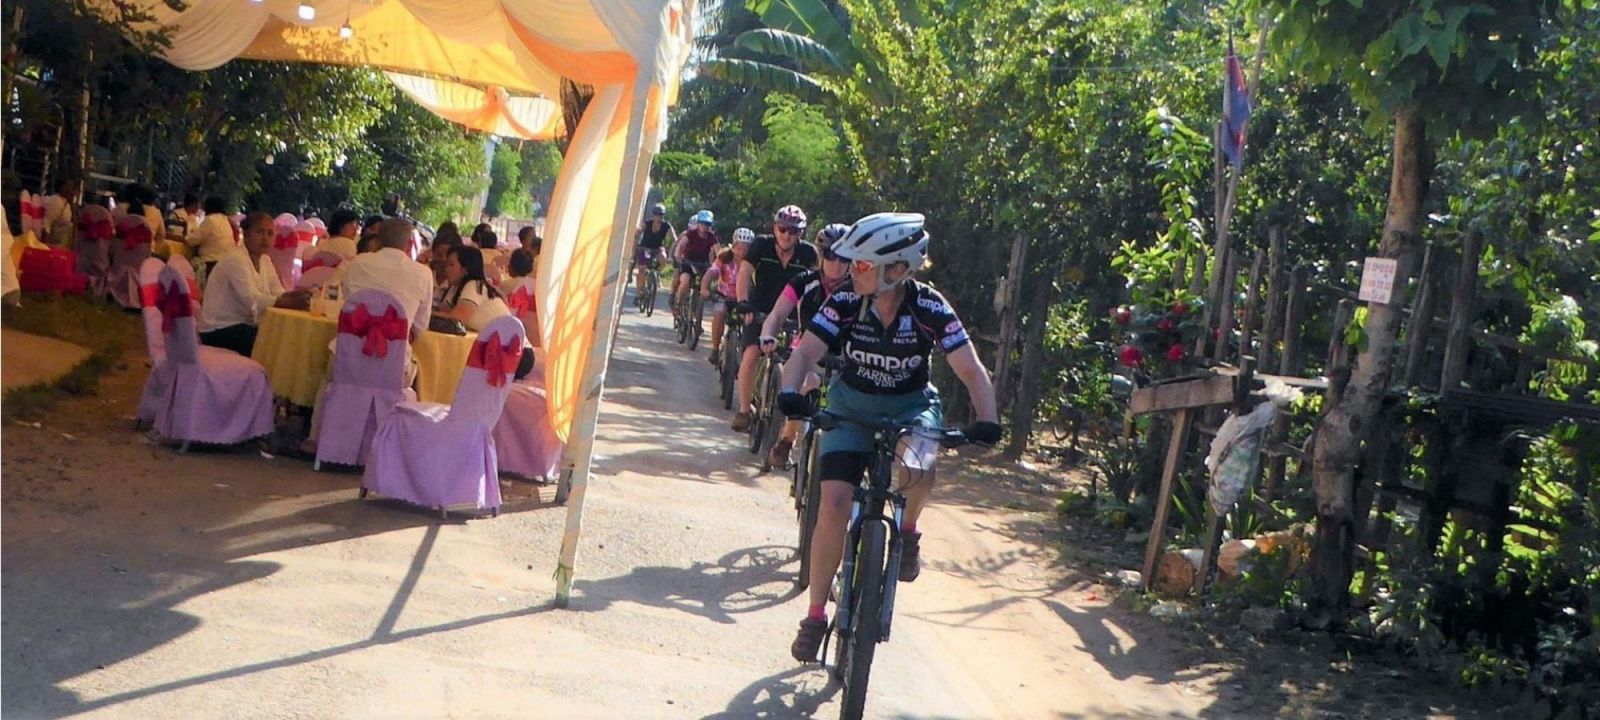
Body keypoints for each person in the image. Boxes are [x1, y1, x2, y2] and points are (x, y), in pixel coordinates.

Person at [774, 212, 1002, 662]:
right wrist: (789, 393)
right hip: (850, 406)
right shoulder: (845, 301)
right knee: (834, 504)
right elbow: (805, 354)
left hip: (909, 405)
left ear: (896, 270)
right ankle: (816, 615)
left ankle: (909, 529)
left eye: (861, 264)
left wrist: (988, 419)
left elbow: (971, 369)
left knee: (919, 466)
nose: (851, 270)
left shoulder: (929, 307)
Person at [758, 223, 852, 468]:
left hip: (846, 359)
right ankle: (787, 439)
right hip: (808, 354)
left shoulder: (860, 288)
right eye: (830, 255)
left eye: (844, 257)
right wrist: (768, 335)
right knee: (807, 382)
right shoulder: (804, 281)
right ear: (821, 255)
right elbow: (778, 314)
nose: (837, 263)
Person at [732, 204, 816, 433]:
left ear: (801, 233)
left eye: (794, 231)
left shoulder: (808, 253)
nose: (787, 235)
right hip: (759, 309)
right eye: (782, 229)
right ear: (774, 228)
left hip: (793, 315)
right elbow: (744, 273)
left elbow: (818, 285)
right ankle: (744, 411)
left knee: (800, 366)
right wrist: (743, 302)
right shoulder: (761, 244)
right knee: (751, 354)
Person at [197, 212, 312, 356]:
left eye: (270, 234)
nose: (265, 238)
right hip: (218, 329)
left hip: (244, 325)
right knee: (272, 342)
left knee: (283, 336)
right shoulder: (236, 259)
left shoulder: (265, 260)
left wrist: (296, 295)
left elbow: (277, 292)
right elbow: (252, 299)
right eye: (259, 232)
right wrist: (288, 302)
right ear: (246, 235)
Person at [437, 245, 536, 379]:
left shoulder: (474, 285)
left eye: (451, 264)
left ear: (465, 270)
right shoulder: (455, 289)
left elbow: (458, 318)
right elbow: (443, 312)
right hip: (500, 348)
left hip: (516, 353)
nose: (446, 268)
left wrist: (426, 314)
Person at [336, 218, 435, 341]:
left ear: (377, 241)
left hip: (348, 348)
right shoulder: (423, 274)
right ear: (410, 244)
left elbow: (347, 300)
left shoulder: (358, 262)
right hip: (395, 351)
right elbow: (419, 327)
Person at [701, 228, 753, 364]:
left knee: (750, 322)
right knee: (719, 314)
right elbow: (711, 272)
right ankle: (715, 349)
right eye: (739, 248)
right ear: (733, 247)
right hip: (723, 296)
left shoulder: (754, 262)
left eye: (746, 249)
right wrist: (704, 288)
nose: (742, 253)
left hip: (744, 300)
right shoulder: (724, 257)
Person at [673, 209, 720, 311]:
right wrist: (678, 256)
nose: (704, 226)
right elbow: (681, 245)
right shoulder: (691, 233)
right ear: (698, 223)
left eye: (707, 224)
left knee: (704, 284)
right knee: (685, 281)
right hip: (688, 262)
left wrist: (720, 263)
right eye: (702, 223)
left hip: (702, 263)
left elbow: (718, 252)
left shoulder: (712, 237)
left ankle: (697, 309)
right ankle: (678, 302)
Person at [633, 203, 675, 304]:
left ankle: (657, 275)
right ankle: (638, 294)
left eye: (661, 215)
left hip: (657, 248)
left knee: (663, 258)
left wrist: (672, 251)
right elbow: (638, 233)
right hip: (646, 248)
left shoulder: (666, 225)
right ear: (653, 215)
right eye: (657, 214)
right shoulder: (647, 223)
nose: (659, 217)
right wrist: (636, 243)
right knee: (642, 270)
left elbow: (674, 238)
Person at [189, 196, 237, 271]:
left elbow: (193, 240)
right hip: (226, 261)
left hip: (210, 261)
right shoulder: (226, 219)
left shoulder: (210, 219)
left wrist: (183, 238)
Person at [41, 178, 77, 247]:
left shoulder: (68, 203)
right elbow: (47, 223)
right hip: (55, 243)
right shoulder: (56, 201)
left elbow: (74, 223)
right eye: (69, 187)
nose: (72, 191)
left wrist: (72, 204)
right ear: (63, 187)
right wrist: (47, 245)